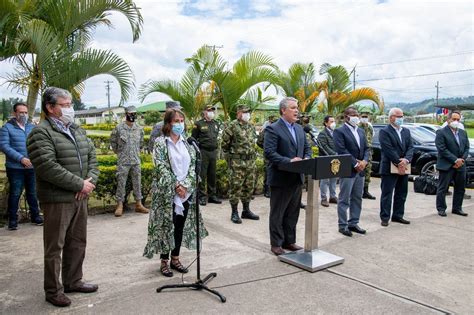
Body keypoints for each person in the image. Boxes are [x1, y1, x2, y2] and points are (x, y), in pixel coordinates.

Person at [26, 87, 99, 307]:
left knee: (77, 242)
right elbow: (47, 166)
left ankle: (73, 280)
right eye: (65, 105)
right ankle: (53, 290)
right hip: (58, 199)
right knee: (55, 246)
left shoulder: (76, 129)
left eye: (70, 105)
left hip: (80, 196)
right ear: (50, 107)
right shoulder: (41, 132)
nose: (70, 109)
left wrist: (88, 181)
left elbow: (92, 156)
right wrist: (79, 184)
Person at [143, 108, 208, 277]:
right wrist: (176, 185)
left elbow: (194, 166)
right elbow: (161, 166)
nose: (179, 124)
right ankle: (164, 261)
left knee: (179, 225)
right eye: (176, 121)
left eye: (181, 121)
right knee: (167, 226)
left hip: (185, 193)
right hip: (167, 193)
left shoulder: (187, 142)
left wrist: (185, 186)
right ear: (168, 123)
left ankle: (176, 258)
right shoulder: (160, 142)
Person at [264, 97, 312, 255]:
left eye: (297, 107)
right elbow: (269, 153)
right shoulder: (273, 128)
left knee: (293, 212)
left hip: (296, 177)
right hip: (281, 178)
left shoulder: (299, 129)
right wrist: (289, 161)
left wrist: (306, 158)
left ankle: (289, 241)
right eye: (293, 108)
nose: (297, 110)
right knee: (278, 213)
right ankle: (276, 244)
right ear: (283, 110)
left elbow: (307, 148)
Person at [0, 102, 43, 230]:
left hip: (31, 167)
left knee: (32, 193)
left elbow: (38, 143)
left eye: (25, 112)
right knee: (15, 193)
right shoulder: (6, 128)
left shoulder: (31, 127)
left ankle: (35, 217)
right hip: (15, 168)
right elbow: (4, 146)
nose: (24, 115)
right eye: (21, 112)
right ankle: (12, 220)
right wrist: (21, 159)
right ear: (14, 113)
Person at [333, 107, 369, 237]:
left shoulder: (360, 131)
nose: (356, 117)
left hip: (360, 170)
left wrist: (364, 161)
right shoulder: (339, 131)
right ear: (346, 117)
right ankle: (343, 225)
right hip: (348, 169)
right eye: (353, 115)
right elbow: (341, 150)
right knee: (344, 198)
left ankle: (353, 222)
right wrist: (355, 163)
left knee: (357, 197)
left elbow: (366, 148)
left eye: (357, 114)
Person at [221, 105, 260, 223]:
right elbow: (224, 144)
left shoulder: (251, 126)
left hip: (250, 162)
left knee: (249, 186)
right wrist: (231, 160)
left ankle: (246, 211)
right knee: (235, 187)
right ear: (238, 113)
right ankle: (234, 212)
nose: (247, 114)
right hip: (237, 163)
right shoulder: (232, 126)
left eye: (248, 112)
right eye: (245, 112)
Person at [110, 106, 149, 217]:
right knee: (121, 183)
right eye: (130, 113)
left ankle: (138, 204)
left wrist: (136, 152)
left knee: (137, 182)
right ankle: (120, 205)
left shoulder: (139, 129)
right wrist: (119, 153)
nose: (132, 115)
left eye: (134, 113)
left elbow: (141, 143)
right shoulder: (119, 128)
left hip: (136, 160)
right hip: (123, 160)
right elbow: (113, 141)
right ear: (126, 114)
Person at [378, 108, 414, 226]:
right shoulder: (385, 131)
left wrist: (406, 160)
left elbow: (410, 147)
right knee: (387, 193)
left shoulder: (406, 131)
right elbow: (388, 149)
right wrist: (399, 162)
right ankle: (385, 217)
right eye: (398, 116)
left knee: (401, 192)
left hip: (404, 166)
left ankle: (398, 215)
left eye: (402, 116)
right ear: (391, 118)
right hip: (389, 167)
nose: (400, 118)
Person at [435, 111, 470, 217]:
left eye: (458, 120)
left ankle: (457, 208)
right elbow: (442, 149)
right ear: (448, 119)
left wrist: (461, 160)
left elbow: (466, 148)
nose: (456, 122)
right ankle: (441, 208)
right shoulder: (441, 132)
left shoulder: (463, 133)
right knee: (443, 188)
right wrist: (455, 160)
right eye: (454, 119)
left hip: (461, 165)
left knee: (460, 187)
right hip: (447, 164)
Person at [191, 105, 222, 206]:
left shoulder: (216, 123)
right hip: (203, 152)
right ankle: (202, 196)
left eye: (212, 110)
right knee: (202, 175)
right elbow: (193, 139)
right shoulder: (198, 124)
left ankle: (212, 195)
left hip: (213, 152)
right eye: (208, 110)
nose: (211, 112)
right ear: (204, 112)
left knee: (212, 175)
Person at [317, 115, 338, 207]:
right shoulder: (322, 134)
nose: (333, 123)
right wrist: (335, 154)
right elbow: (324, 147)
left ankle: (333, 197)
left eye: (334, 121)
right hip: (326, 159)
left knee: (334, 178)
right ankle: (323, 198)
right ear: (326, 123)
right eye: (331, 122)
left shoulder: (336, 133)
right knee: (325, 180)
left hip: (335, 160)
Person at [257, 115, 277, 198]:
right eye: (273, 122)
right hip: (268, 155)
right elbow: (259, 142)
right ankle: (267, 190)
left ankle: (274, 189)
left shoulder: (279, 131)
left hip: (277, 155)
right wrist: (266, 148)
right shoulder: (266, 131)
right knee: (268, 172)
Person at [360, 109, 376, 200]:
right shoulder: (357, 126)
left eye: (366, 117)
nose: (365, 118)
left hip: (369, 152)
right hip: (360, 153)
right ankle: (358, 191)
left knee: (368, 172)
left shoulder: (370, 126)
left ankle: (366, 191)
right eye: (363, 117)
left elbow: (371, 137)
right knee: (359, 172)